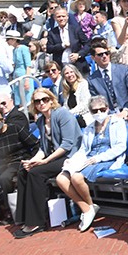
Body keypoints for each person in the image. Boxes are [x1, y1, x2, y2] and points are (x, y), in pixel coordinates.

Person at [14, 88, 82, 239]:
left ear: (51, 100)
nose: (41, 103)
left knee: (36, 173)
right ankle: (24, 216)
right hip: (55, 157)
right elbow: (43, 148)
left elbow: (67, 145)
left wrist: (43, 162)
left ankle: (37, 222)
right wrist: (32, 161)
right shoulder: (40, 121)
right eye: (37, 101)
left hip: (71, 156)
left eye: (45, 99)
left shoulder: (62, 114)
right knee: (24, 170)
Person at [56, 96, 127, 232]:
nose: (99, 113)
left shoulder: (117, 123)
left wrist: (99, 158)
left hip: (107, 158)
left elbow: (120, 147)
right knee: (61, 178)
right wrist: (73, 159)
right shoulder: (89, 128)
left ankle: (88, 209)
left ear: (107, 108)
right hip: (89, 158)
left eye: (102, 109)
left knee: (76, 177)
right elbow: (83, 149)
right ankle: (88, 208)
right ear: (90, 112)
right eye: (95, 111)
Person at [88, 40, 128, 120]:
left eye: (106, 53)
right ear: (93, 58)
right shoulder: (92, 80)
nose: (104, 56)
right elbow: (97, 102)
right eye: (100, 54)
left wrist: (126, 110)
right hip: (107, 116)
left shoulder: (124, 70)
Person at [46, 7, 91, 76]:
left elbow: (88, 44)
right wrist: (62, 45)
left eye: (63, 16)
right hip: (61, 67)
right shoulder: (52, 33)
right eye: (58, 17)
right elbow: (49, 49)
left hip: (78, 66)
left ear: (67, 17)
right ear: (55, 18)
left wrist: (78, 54)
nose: (61, 19)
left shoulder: (76, 29)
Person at [5, 30, 32, 106]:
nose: (7, 41)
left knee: (27, 99)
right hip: (16, 77)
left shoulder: (24, 48)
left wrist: (27, 79)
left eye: (8, 39)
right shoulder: (14, 50)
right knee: (19, 99)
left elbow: (28, 65)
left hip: (24, 75)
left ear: (14, 39)